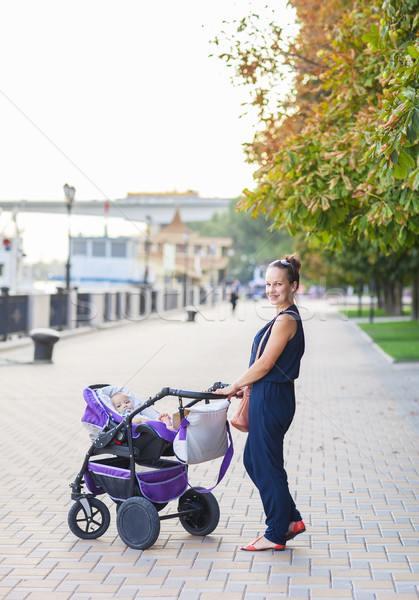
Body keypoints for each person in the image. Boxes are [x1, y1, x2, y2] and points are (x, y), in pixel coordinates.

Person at [214, 255, 306, 551]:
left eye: (278, 284)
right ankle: (290, 519)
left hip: (273, 399)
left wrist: (235, 385)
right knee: (256, 461)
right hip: (267, 395)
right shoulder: (280, 318)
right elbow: (265, 366)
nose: (271, 289)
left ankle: (276, 532)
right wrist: (246, 387)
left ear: (294, 286)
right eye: (268, 284)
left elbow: (265, 363)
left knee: (266, 463)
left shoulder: (287, 320)